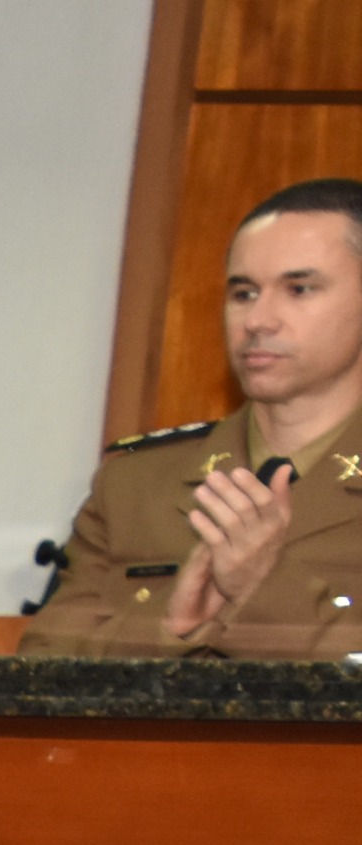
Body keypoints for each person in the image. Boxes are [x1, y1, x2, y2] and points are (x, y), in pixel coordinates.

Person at [25, 176, 362, 657]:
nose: (258, 321)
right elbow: (42, 668)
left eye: (299, 289)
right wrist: (169, 631)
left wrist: (266, 587)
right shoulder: (136, 484)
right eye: (244, 293)